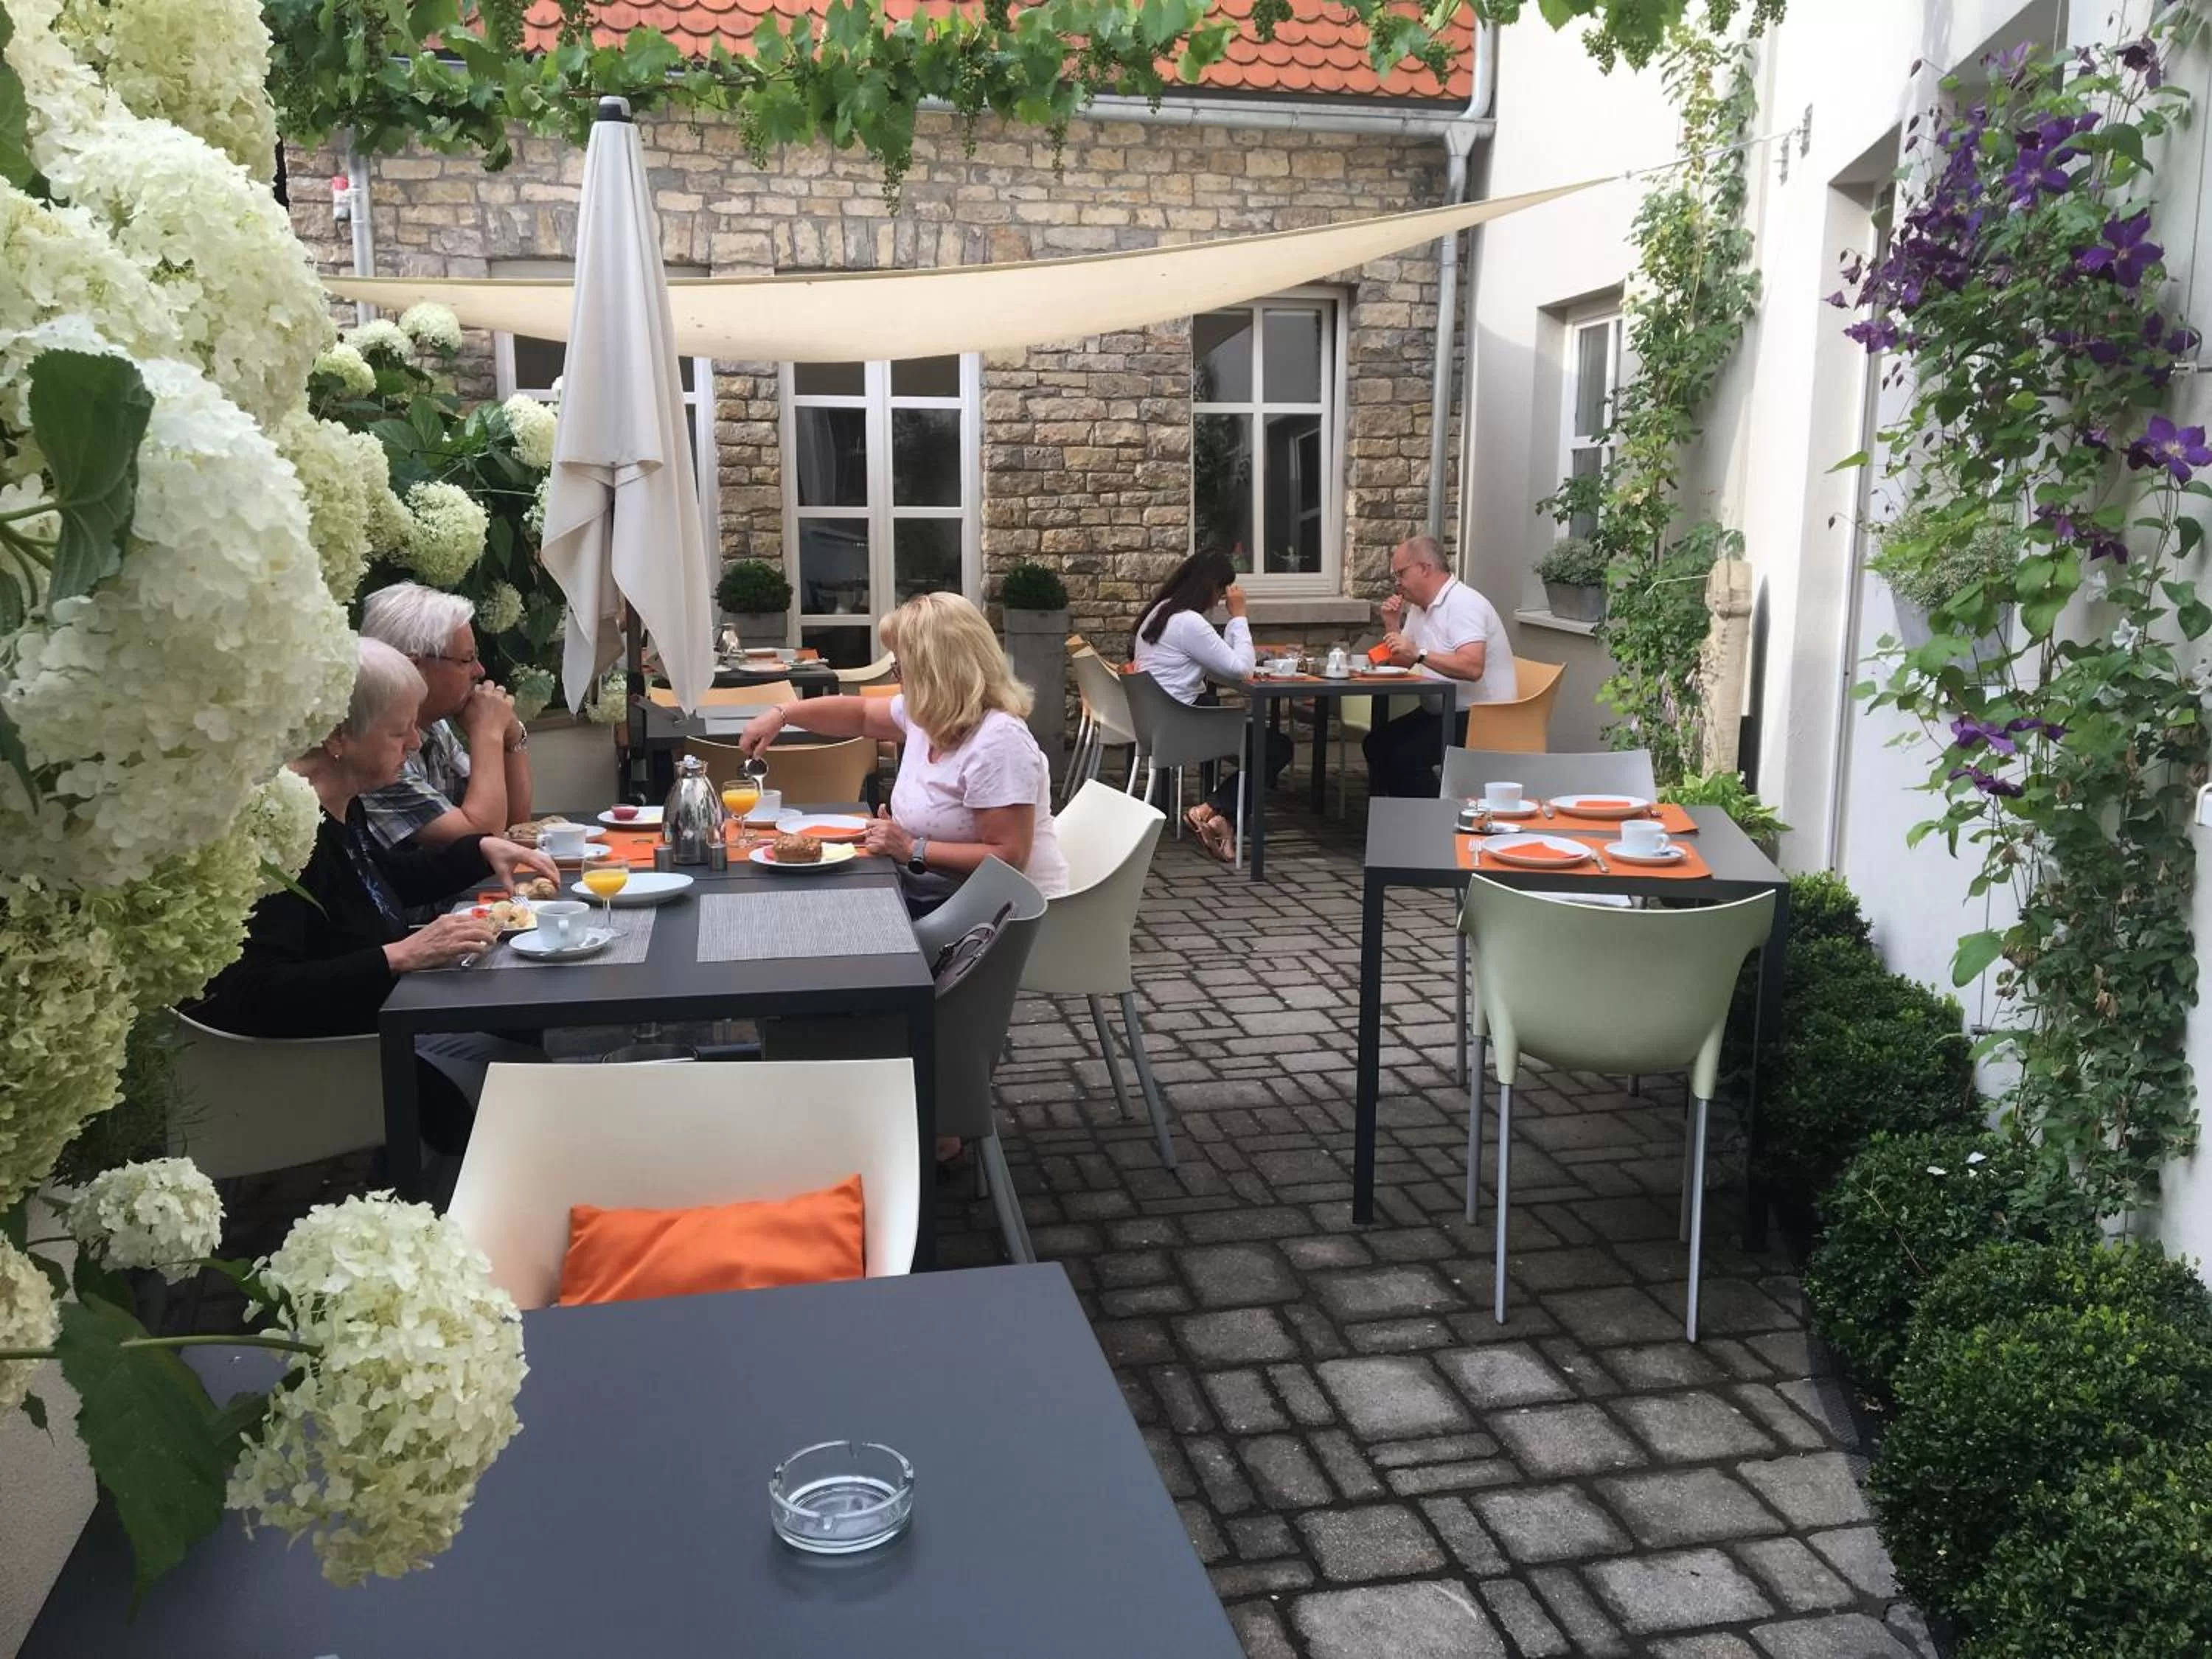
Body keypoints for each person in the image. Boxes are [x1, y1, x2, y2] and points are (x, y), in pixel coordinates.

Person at [187, 639, 558, 1152]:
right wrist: (399, 956)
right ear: (340, 735)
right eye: (399, 730)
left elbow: (384, 881)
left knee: (533, 1064)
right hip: (323, 1061)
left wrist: (481, 850)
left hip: (382, 1027)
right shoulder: (278, 835)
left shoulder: (338, 802)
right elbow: (253, 991)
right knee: (528, 1092)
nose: (413, 744)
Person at [740, 591, 1071, 906]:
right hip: (928, 896)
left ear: (935, 672)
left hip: (991, 917)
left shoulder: (999, 742)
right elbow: (862, 715)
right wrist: (781, 716)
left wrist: (912, 847)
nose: (899, 677)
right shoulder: (929, 718)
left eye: (900, 666)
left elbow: (1008, 857)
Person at [1130, 549, 1293, 862]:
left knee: (1258, 738)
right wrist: (1240, 616)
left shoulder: (1160, 612)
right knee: (1275, 746)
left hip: (1157, 721)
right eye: (1221, 591)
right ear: (1209, 586)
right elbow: (1242, 669)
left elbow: (1221, 662)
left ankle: (1222, 817)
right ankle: (1214, 810)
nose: (1220, 600)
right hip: (1181, 727)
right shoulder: (1189, 623)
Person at [356, 583, 534, 849]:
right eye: (467, 659)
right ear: (414, 666)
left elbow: (514, 826)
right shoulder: (373, 745)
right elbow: (481, 839)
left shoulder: (435, 728)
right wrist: (488, 732)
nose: (480, 671)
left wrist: (511, 737)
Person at [1363, 536, 1517, 798]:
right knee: (1377, 744)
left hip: (1480, 716)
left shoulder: (1464, 604)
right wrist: (1392, 625)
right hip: (1441, 711)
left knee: (1405, 757)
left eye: (1401, 573)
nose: (1397, 583)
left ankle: (1438, 823)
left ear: (1424, 568)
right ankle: (1398, 820)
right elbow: (1403, 659)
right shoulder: (1419, 608)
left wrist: (1419, 653)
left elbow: (1472, 667)